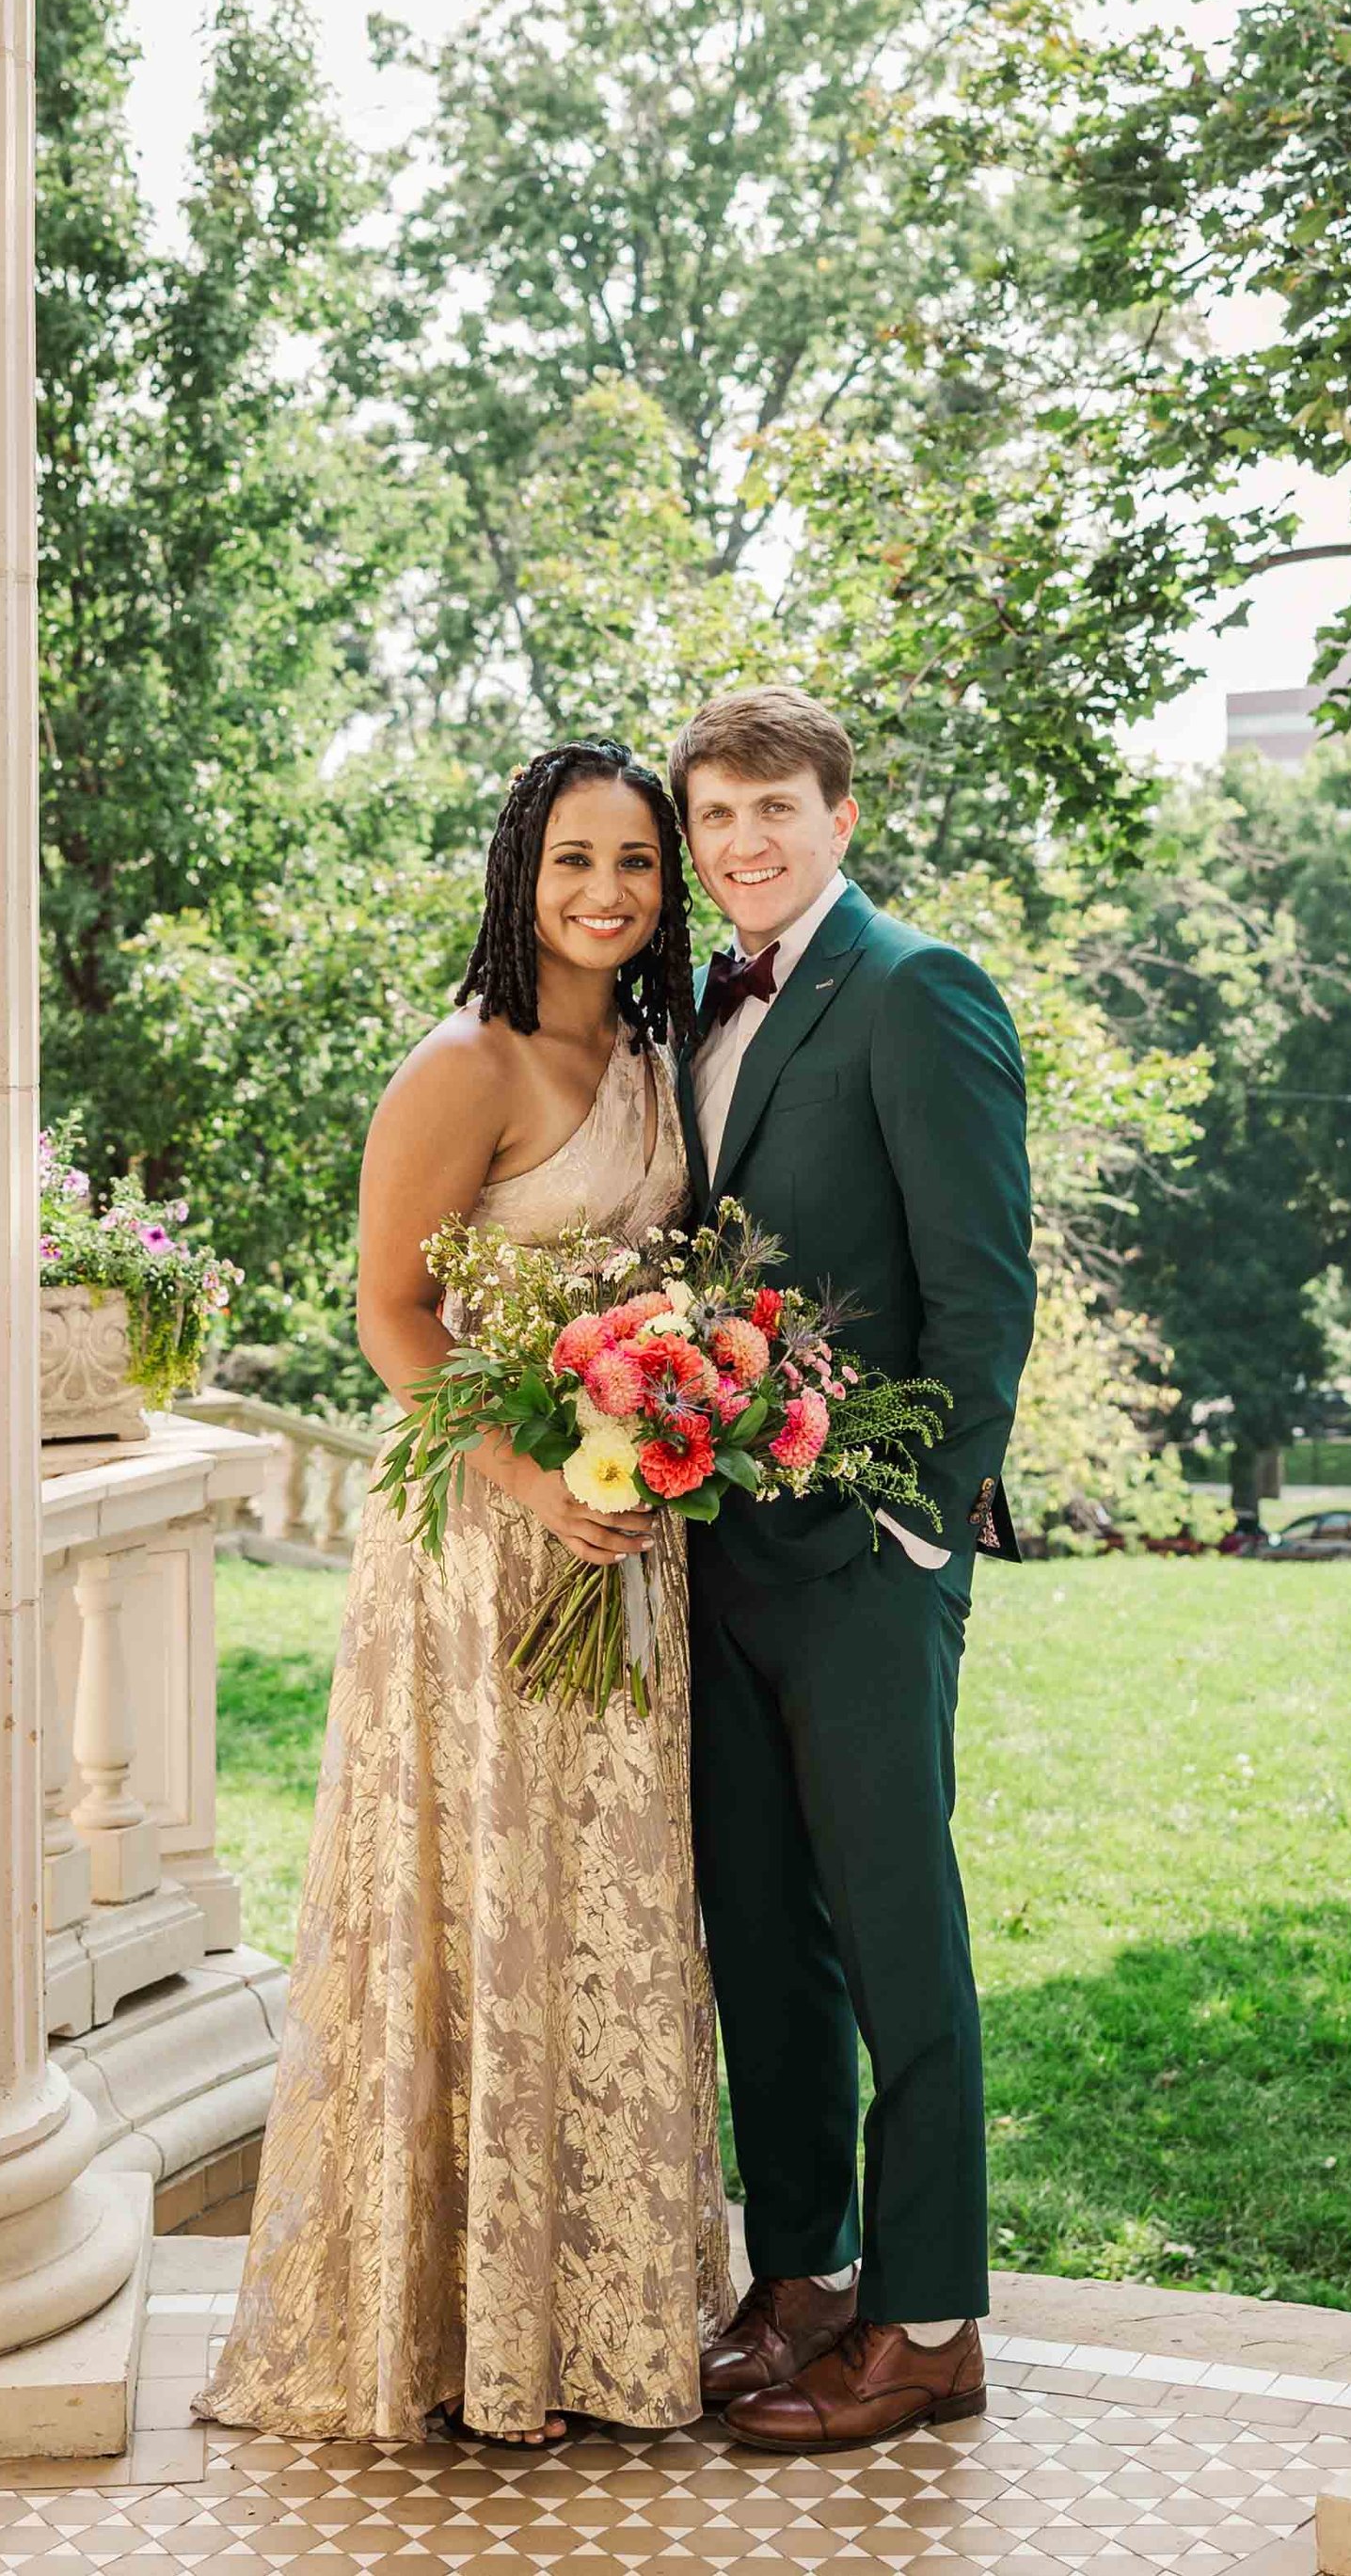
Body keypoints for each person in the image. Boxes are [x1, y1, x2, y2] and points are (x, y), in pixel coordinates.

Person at [198, 743, 732, 2450]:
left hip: (625, 1535)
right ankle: (454, 2324)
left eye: (639, 861)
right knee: (479, 1895)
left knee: (604, 1906)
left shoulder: (653, 1053)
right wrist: (529, 1480)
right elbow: (390, 1313)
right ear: (521, 871)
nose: (609, 889)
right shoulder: (465, 1061)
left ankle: (595, 2314)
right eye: (576, 857)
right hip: (482, 1546)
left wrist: (656, 1445)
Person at [673, 686, 1035, 2455]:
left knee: (900, 1940)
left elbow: (982, 1293)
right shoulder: (693, 1013)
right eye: (716, 817)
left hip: (868, 1559)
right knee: (763, 1933)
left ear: (840, 814)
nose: (742, 843)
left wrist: (920, 1513)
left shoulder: (917, 990)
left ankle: (934, 2314)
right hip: (716, 1555)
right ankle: (805, 2268)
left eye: (771, 809)